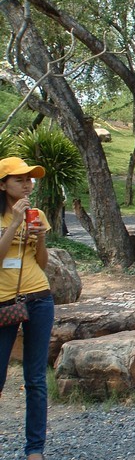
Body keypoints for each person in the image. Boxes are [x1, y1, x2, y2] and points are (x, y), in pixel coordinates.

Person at [0, 157, 53, 460]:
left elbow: (41, 263)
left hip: (39, 297)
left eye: (29, 179)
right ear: (2, 185)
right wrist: (14, 224)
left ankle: (35, 449)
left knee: (35, 379)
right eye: (19, 179)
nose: (26, 185)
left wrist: (40, 237)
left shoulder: (37, 214)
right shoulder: (6, 217)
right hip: (4, 301)